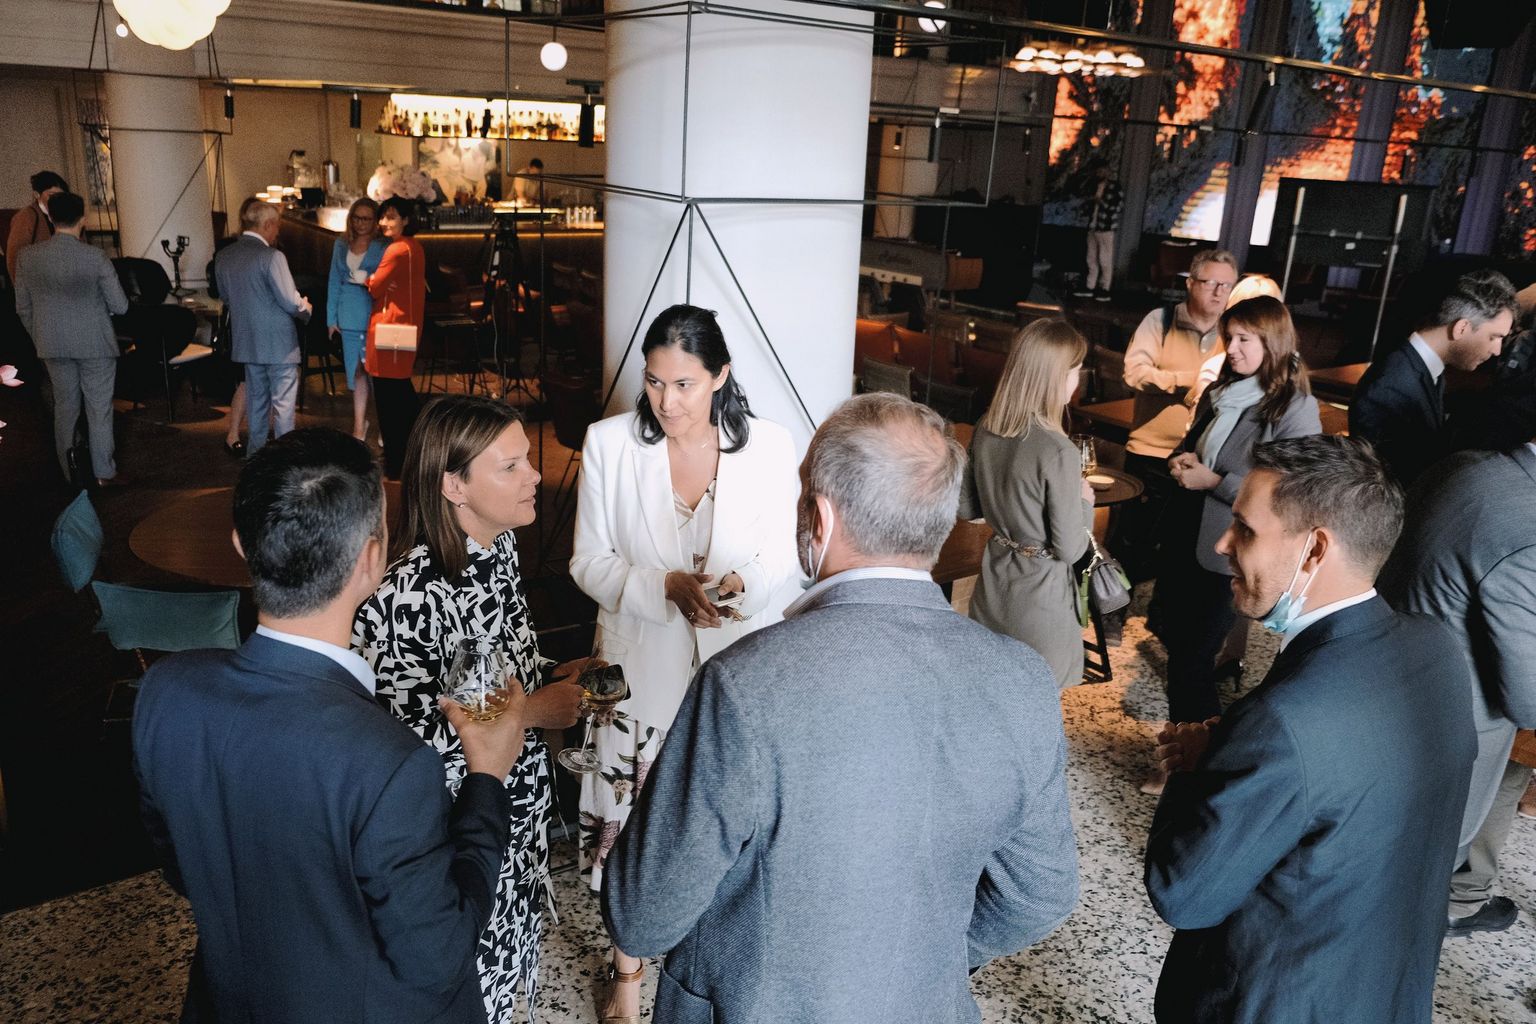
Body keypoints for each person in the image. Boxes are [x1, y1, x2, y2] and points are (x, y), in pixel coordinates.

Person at [602, 392, 1078, 1023]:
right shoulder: (1023, 679)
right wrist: (922, 958)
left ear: (819, 520)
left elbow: (642, 916)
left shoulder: (744, 685)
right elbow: (1040, 895)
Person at [134, 428, 532, 1022]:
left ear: (241, 545)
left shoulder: (165, 691)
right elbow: (440, 957)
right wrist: (487, 778)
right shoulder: (391, 761)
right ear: (372, 559)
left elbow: (182, 865)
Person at [1145, 435, 1476, 1024]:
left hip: (1280, 1000)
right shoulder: (1437, 649)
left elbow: (1186, 895)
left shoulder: (1281, 720)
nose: (1223, 543)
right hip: (1386, 988)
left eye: (1245, 529)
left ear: (1314, 549)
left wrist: (1193, 772)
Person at [568, 303, 799, 1022]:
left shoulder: (771, 446)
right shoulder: (609, 444)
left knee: (723, 827)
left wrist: (743, 585)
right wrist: (660, 586)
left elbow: (785, 557)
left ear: (720, 376)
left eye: (685, 384)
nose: (666, 402)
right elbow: (587, 562)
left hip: (737, 668)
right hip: (633, 669)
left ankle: (709, 966)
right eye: (655, 382)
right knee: (626, 825)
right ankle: (626, 972)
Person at [353, 394, 584, 1021]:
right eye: (511, 466)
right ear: (453, 486)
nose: (535, 475)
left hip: (515, 815)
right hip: (457, 837)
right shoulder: (408, 596)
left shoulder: (498, 547)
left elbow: (490, 672)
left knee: (511, 976)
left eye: (527, 458)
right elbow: (404, 750)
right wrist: (534, 712)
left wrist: (551, 673)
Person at [1378, 441, 1536, 938]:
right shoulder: (1528, 530)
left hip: (1384, 670)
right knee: (1406, 886)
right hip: (1443, 731)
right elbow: (1528, 699)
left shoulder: (1468, 464)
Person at [1154, 296, 1320, 744]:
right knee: (1179, 645)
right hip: (1185, 534)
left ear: (1273, 342)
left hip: (1230, 550)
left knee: (1193, 656)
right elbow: (1190, 445)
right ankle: (1188, 748)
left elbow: (1291, 491)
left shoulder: (1294, 407)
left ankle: (1198, 756)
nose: (1232, 349)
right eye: (1229, 338)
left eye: (1244, 339)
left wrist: (1215, 482)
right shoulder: (1220, 392)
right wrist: (1179, 461)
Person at [958, 318, 1094, 687]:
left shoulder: (987, 427)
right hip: (1040, 601)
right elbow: (1071, 549)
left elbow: (967, 508)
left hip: (994, 585)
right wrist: (1085, 502)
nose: (1078, 380)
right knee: (1038, 700)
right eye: (1076, 371)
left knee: (991, 693)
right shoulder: (1058, 451)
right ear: (1055, 376)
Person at [1116, 249, 1240, 579]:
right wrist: (1190, 380)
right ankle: (1117, 604)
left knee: (1179, 547)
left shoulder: (1232, 332)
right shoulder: (1161, 320)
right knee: (1133, 540)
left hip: (1200, 461)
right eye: (1211, 283)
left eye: (1227, 285)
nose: (1219, 292)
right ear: (1190, 283)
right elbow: (1134, 374)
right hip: (1151, 450)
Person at [1350, 268, 1517, 485]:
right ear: (1461, 328)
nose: (1497, 350)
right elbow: (1385, 481)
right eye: (1494, 337)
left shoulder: (1422, 369)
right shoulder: (1392, 386)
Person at [13, 191, 129, 486]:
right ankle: (104, 473)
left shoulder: (28, 257)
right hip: (95, 344)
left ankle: (70, 472)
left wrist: (40, 335)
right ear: (83, 219)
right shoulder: (95, 256)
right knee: (99, 408)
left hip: (51, 344)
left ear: (51, 218)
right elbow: (120, 306)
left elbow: (23, 307)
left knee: (65, 408)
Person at [213, 199, 312, 453]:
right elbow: (289, 301)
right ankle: (283, 463)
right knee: (283, 409)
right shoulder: (272, 257)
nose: (277, 232)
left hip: (247, 342)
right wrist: (306, 309)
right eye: (277, 226)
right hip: (279, 344)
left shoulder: (224, 257)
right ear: (267, 225)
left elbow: (226, 297)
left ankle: (255, 458)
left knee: (256, 406)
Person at [365, 196, 426, 479]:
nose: (383, 222)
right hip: (407, 328)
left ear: (405, 220)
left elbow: (375, 287)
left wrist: (369, 279)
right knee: (401, 394)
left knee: (389, 402)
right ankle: (411, 456)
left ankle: (396, 463)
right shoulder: (414, 247)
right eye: (383, 216)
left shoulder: (396, 249)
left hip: (389, 330)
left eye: (390, 217)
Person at [326, 197, 386, 442]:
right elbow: (334, 281)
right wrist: (331, 318)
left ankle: (384, 426)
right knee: (356, 373)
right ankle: (359, 425)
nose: (361, 223)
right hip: (348, 313)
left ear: (375, 221)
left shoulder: (383, 245)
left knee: (378, 375)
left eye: (366, 219)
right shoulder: (341, 244)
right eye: (357, 218)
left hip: (374, 313)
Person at [1073, 161, 1123, 302]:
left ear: (1107, 171)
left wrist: (1101, 203)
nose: (1099, 174)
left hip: (1106, 227)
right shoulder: (1094, 186)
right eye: (1098, 172)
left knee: (1105, 258)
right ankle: (1090, 286)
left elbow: (1117, 207)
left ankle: (1105, 288)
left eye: (1101, 171)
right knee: (1091, 257)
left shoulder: (1115, 187)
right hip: (1094, 226)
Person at [5, 170, 67, 281]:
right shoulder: (26, 216)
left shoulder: (66, 215)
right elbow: (14, 258)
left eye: (61, 195)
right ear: (37, 195)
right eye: (52, 195)